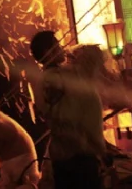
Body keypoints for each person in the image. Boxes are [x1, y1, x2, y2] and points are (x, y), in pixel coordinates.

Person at [40, 45, 120, 189]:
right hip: (82, 160)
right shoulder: (89, 93)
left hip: (59, 158)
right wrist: (104, 154)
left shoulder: (61, 86)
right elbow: (94, 131)